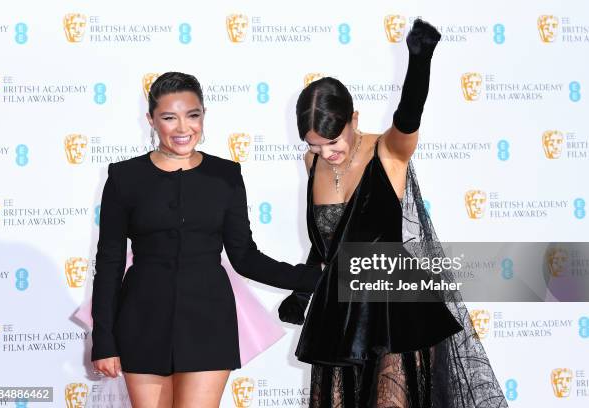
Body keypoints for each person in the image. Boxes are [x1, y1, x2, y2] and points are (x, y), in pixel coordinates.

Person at [278, 20, 509, 407]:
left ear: (354, 119)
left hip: (394, 311)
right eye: (314, 146)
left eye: (332, 142)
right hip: (339, 317)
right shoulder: (312, 163)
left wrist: (420, 61)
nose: (325, 153)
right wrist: (303, 293)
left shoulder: (389, 152)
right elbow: (330, 246)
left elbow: (408, 116)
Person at [90, 72, 322, 408]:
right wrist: (104, 341)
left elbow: (245, 257)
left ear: (203, 115)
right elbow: (110, 263)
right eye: (169, 117)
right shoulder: (124, 177)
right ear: (151, 121)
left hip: (208, 320)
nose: (183, 128)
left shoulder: (226, 176)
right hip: (142, 318)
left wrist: (319, 278)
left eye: (192, 115)